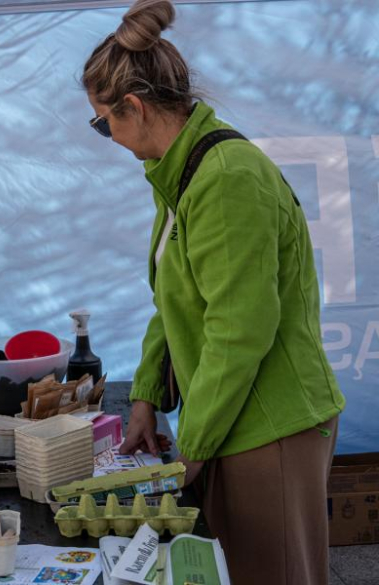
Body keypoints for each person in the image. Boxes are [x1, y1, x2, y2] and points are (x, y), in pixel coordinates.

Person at [82, 1, 345, 583]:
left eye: (103, 124)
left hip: (269, 426)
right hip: (232, 417)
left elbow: (239, 328)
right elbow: (173, 302)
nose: (108, 138)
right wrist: (148, 397)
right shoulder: (183, 174)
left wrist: (192, 449)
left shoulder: (225, 178)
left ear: (134, 106)